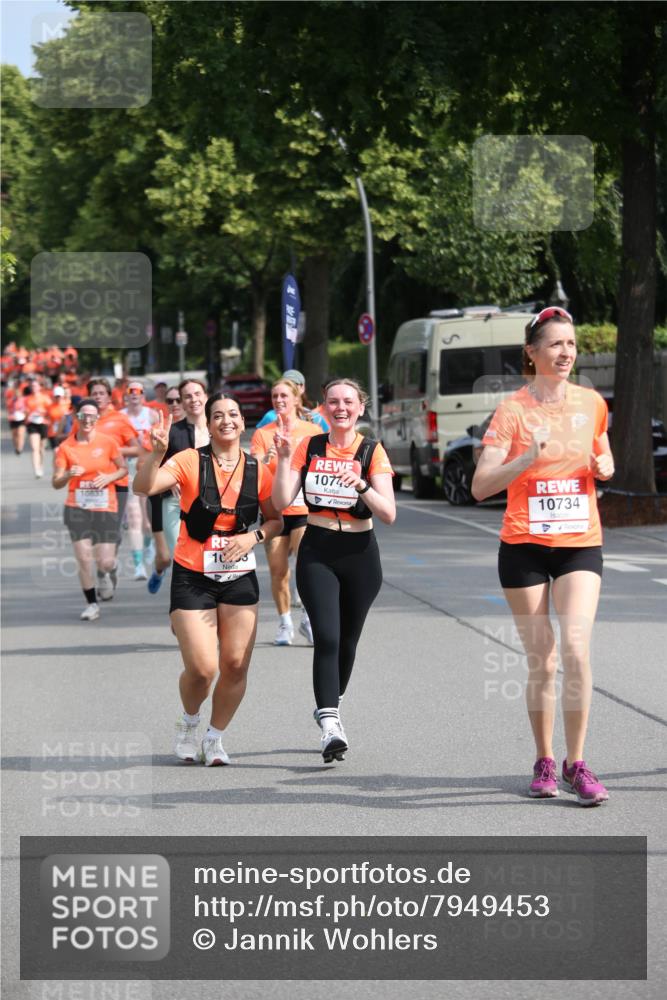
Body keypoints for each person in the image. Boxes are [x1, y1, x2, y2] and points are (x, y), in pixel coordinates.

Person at [471, 306, 615, 807]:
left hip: (579, 542)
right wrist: (528, 458)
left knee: (576, 649)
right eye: (555, 344)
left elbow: (603, 454)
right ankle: (545, 760)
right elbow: (480, 485)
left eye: (571, 344)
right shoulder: (512, 411)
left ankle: (578, 763)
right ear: (531, 353)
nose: (566, 352)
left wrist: (604, 466)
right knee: (544, 658)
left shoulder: (591, 402)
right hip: (524, 546)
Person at [133, 394, 283, 765]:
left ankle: (214, 738)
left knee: (235, 664)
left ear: (243, 423)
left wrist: (253, 537)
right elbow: (143, 487)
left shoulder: (257, 469)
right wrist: (157, 453)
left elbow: (276, 520)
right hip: (193, 573)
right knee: (203, 669)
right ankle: (188, 722)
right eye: (218, 415)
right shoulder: (189, 460)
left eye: (233, 414)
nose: (226, 420)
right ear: (209, 424)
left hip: (238, 575)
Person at [272, 377, 396, 762]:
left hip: (361, 554)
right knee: (327, 636)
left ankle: (331, 706)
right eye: (333, 402)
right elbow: (281, 501)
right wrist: (283, 459)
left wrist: (361, 485)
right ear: (323, 408)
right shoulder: (310, 447)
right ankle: (329, 725)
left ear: (360, 408)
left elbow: (388, 513)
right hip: (318, 550)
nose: (340, 408)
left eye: (347, 402)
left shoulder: (372, 450)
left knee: (347, 641)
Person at [250, 378, 323, 645]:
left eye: (283, 396)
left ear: (296, 398)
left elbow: (322, 464)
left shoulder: (312, 430)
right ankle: (285, 623)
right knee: (278, 571)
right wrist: (267, 458)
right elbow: (252, 470)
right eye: (275, 396)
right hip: (275, 510)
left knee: (305, 567)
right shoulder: (263, 433)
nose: (279, 400)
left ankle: (307, 618)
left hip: (305, 507)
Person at [52, 398, 127, 621]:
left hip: (105, 506)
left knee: (104, 561)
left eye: (92, 416)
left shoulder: (108, 442)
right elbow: (56, 482)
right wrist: (68, 474)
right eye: (83, 416)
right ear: (77, 417)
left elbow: (123, 469)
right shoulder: (66, 447)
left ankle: (110, 569)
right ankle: (92, 604)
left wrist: (109, 477)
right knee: (84, 558)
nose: (87, 420)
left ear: (97, 418)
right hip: (77, 508)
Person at [87, 378, 141, 599]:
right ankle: (104, 568)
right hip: (89, 486)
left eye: (102, 393)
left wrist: (110, 449)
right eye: (94, 393)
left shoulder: (119, 419)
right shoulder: (83, 419)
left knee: (111, 532)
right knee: (94, 533)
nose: (98, 396)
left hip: (116, 484)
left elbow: (136, 449)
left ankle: (105, 569)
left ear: (109, 396)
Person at [145, 387, 184, 595]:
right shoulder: (159, 430)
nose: (175, 404)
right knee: (165, 557)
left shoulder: (201, 430)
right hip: (160, 500)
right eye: (170, 401)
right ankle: (159, 572)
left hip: (191, 501)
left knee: (187, 553)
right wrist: (168, 478)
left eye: (179, 399)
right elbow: (146, 467)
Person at [121, 381, 158, 580]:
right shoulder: (120, 417)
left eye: (138, 391)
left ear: (143, 395)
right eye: (131, 391)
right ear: (126, 395)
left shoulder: (151, 415)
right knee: (134, 518)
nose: (134, 394)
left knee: (147, 522)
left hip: (148, 469)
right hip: (128, 470)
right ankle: (138, 566)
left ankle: (149, 543)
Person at [255, 369, 328, 431]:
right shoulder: (270, 416)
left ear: (302, 387)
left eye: (294, 384)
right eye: (287, 384)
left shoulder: (315, 417)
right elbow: (259, 437)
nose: (291, 387)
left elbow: (328, 438)